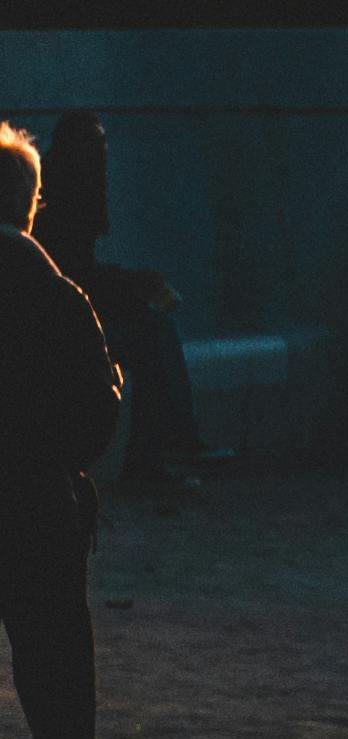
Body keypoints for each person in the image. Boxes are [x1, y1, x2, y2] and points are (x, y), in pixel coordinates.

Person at [0, 127, 118, 739]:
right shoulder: (54, 290)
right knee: (59, 692)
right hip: (37, 508)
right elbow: (100, 407)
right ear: (30, 204)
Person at [39, 117, 216, 492]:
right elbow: (72, 279)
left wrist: (128, 284)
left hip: (56, 318)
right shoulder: (67, 201)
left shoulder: (59, 194)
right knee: (151, 337)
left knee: (151, 331)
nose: (104, 159)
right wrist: (132, 283)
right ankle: (166, 447)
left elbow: (74, 275)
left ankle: (168, 446)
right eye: (98, 150)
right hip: (57, 325)